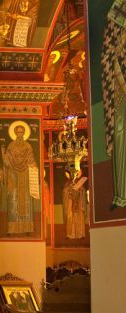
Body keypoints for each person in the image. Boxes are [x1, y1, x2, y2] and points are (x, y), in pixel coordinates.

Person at [102, 5, 126, 209]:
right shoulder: (117, 12)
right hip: (120, 96)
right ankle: (122, 195)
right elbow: (109, 58)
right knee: (121, 137)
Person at [3, 124, 38, 234]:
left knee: (26, 202)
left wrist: (33, 167)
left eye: (21, 132)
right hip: (13, 176)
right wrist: (5, 158)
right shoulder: (11, 146)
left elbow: (32, 161)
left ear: (24, 133)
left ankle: (26, 228)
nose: (19, 135)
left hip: (25, 177)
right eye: (17, 132)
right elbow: (7, 162)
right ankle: (13, 229)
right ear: (15, 133)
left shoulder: (28, 146)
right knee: (13, 200)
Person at [63, 171, 87, 239]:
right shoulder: (68, 183)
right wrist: (69, 190)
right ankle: (70, 234)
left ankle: (80, 234)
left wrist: (79, 190)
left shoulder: (80, 182)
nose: (74, 176)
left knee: (79, 217)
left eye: (75, 174)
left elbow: (83, 191)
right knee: (70, 217)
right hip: (70, 203)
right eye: (72, 174)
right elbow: (65, 192)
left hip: (79, 203)